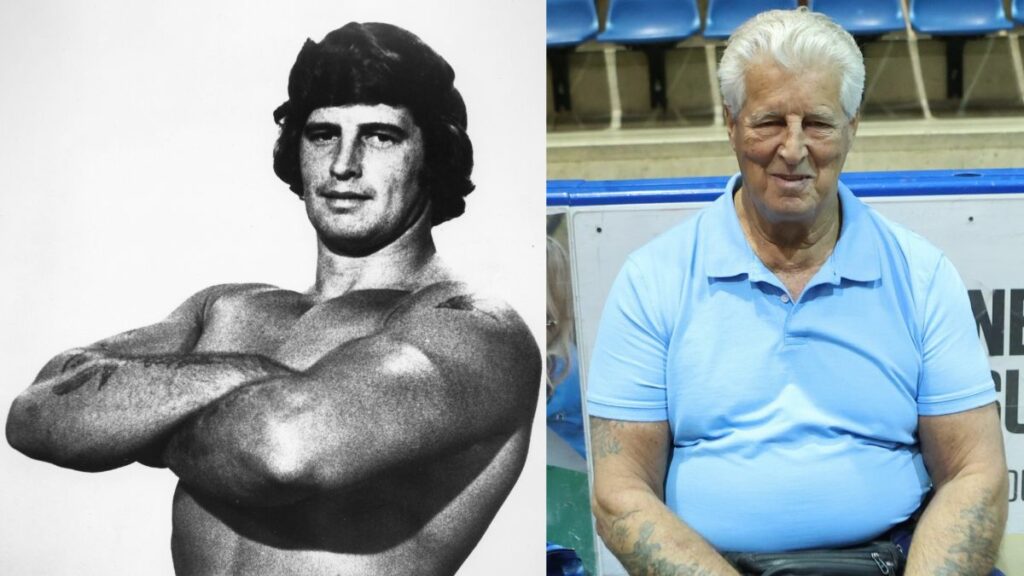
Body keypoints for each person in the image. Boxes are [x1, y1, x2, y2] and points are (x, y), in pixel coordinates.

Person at [6, 22, 540, 576]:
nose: (343, 165)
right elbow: (36, 412)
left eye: (380, 136)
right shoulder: (227, 306)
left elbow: (282, 449)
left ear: (433, 155)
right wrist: (250, 386)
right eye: (323, 134)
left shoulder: (472, 326)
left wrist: (137, 421)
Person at [586, 8, 1008, 575]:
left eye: (817, 122)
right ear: (730, 122)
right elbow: (619, 494)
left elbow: (974, 474)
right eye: (768, 122)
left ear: (853, 125)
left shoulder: (922, 275)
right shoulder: (652, 280)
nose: (792, 149)